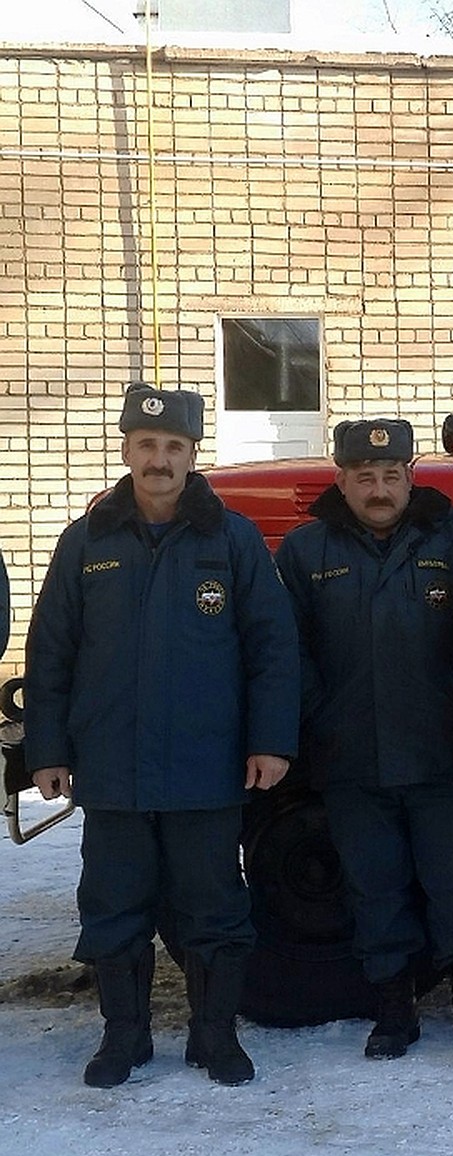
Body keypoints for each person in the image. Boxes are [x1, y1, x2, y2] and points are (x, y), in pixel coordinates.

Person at [24, 382, 300, 1088]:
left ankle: (215, 1037)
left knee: (215, 910)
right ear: (126, 449)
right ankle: (125, 1038)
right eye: (147, 445)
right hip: (112, 768)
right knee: (114, 909)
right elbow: (51, 650)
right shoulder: (87, 541)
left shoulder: (231, 539)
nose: (159, 459)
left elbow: (271, 647)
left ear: (191, 455)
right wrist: (48, 750)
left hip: (206, 769)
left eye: (173, 446)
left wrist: (270, 742)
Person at [275, 417, 453, 1060]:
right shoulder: (305, 552)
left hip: (442, 754)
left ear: (410, 477)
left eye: (392, 476)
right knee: (374, 887)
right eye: (365, 477)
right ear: (341, 482)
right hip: (352, 759)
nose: (380, 488)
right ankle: (392, 1015)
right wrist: (319, 719)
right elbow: (290, 652)